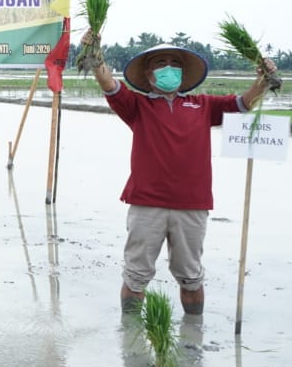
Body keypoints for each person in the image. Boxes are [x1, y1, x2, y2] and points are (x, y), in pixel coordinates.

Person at [86, 35, 274, 315]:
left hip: (192, 205)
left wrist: (264, 79)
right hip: (147, 204)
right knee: (136, 276)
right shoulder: (137, 106)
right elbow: (109, 85)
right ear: (149, 75)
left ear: (184, 74)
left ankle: (192, 335)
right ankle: (131, 335)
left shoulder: (203, 105)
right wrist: (93, 53)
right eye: (161, 63)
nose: (168, 67)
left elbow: (244, 104)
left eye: (175, 63)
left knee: (191, 276)